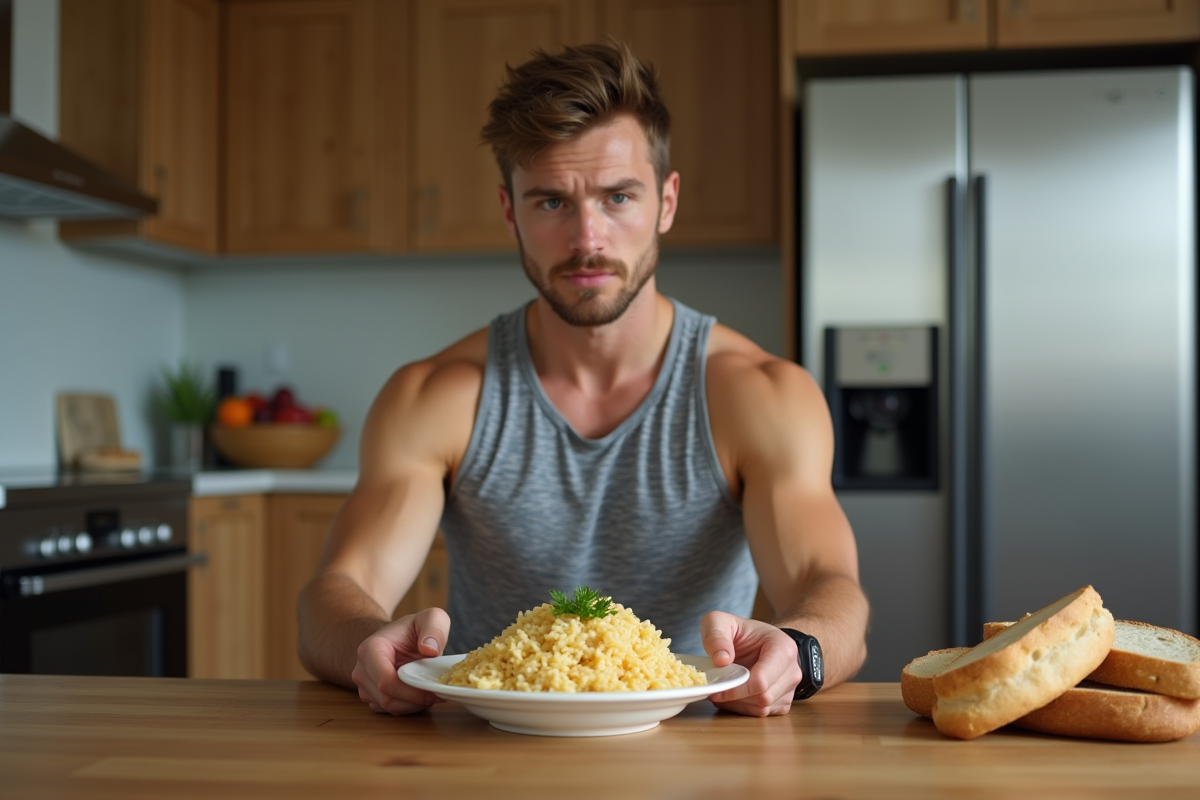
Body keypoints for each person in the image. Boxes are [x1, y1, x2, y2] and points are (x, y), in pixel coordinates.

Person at [297, 41, 868, 718]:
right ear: (510, 211)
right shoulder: (438, 396)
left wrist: (799, 653)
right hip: (493, 754)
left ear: (666, 201)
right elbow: (340, 589)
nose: (587, 238)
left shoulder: (757, 394)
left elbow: (827, 585)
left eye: (618, 196)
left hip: (698, 755)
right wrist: (369, 644)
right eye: (550, 203)